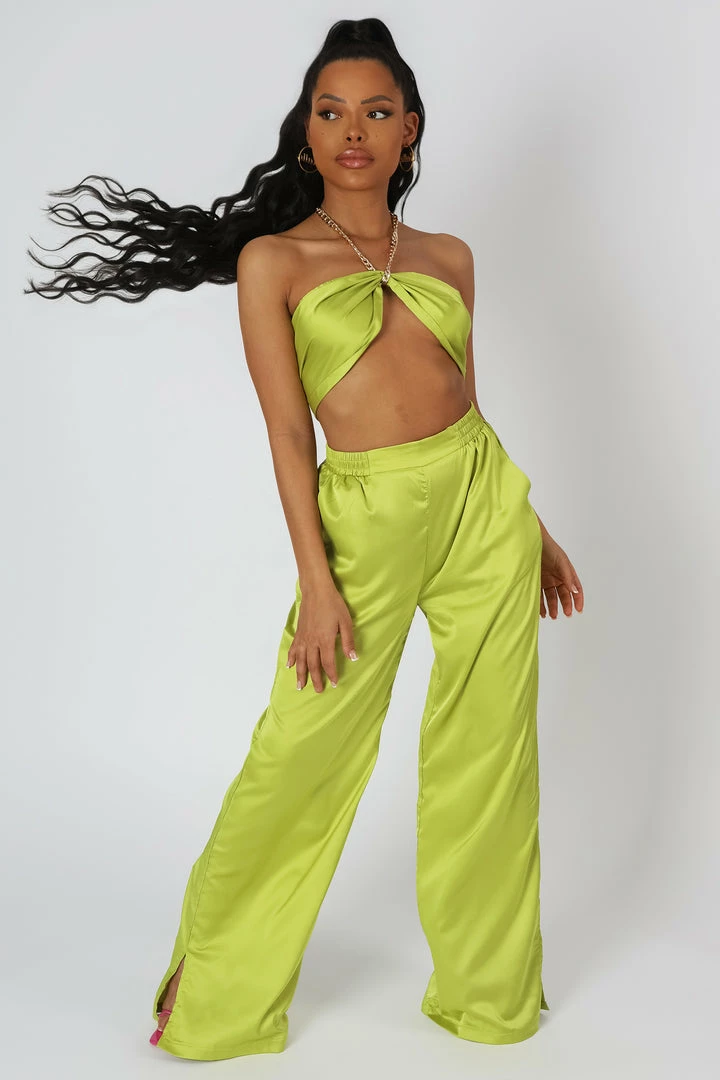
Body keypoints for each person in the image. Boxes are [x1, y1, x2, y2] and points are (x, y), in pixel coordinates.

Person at [26, 16, 584, 1063]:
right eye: (331, 112)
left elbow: (468, 402)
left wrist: (532, 522)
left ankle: (490, 997)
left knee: (490, 755)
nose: (352, 130)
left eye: (376, 111)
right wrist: (316, 583)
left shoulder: (450, 257)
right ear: (307, 130)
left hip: (485, 507)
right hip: (363, 518)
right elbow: (289, 434)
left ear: (410, 128)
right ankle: (216, 997)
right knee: (302, 755)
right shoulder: (272, 261)